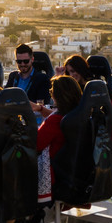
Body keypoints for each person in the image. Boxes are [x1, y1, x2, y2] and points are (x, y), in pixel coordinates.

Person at [36, 75, 83, 204]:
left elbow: (36, 145)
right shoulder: (80, 116)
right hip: (77, 174)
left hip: (56, 176)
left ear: (57, 96)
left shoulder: (55, 120)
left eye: (52, 92)